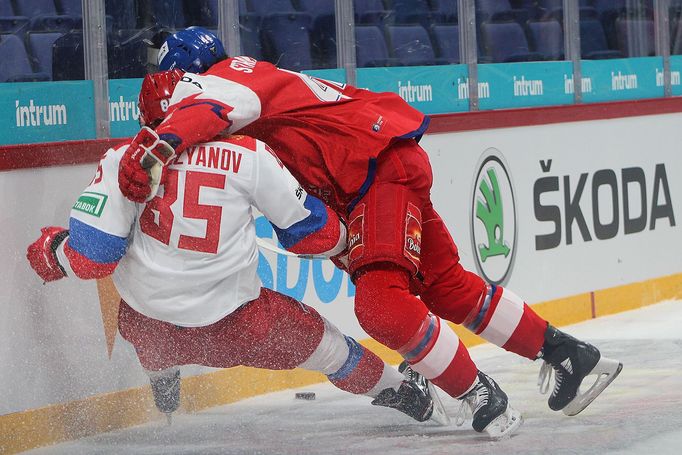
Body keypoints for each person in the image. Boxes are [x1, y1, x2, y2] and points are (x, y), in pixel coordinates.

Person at [117, 27, 622, 437]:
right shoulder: (250, 79)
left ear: (185, 75)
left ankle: (480, 396)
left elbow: (205, 110)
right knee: (446, 286)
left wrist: (158, 146)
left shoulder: (223, 82)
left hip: (372, 174)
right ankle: (568, 355)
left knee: (381, 307)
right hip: (381, 166)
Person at [25, 70, 451, 427]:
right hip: (241, 326)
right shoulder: (248, 155)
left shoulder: (123, 159)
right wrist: (352, 244)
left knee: (141, 318)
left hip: (151, 327)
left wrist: (53, 249)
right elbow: (312, 235)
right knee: (331, 349)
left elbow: (91, 258)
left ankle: (163, 382)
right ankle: (403, 394)